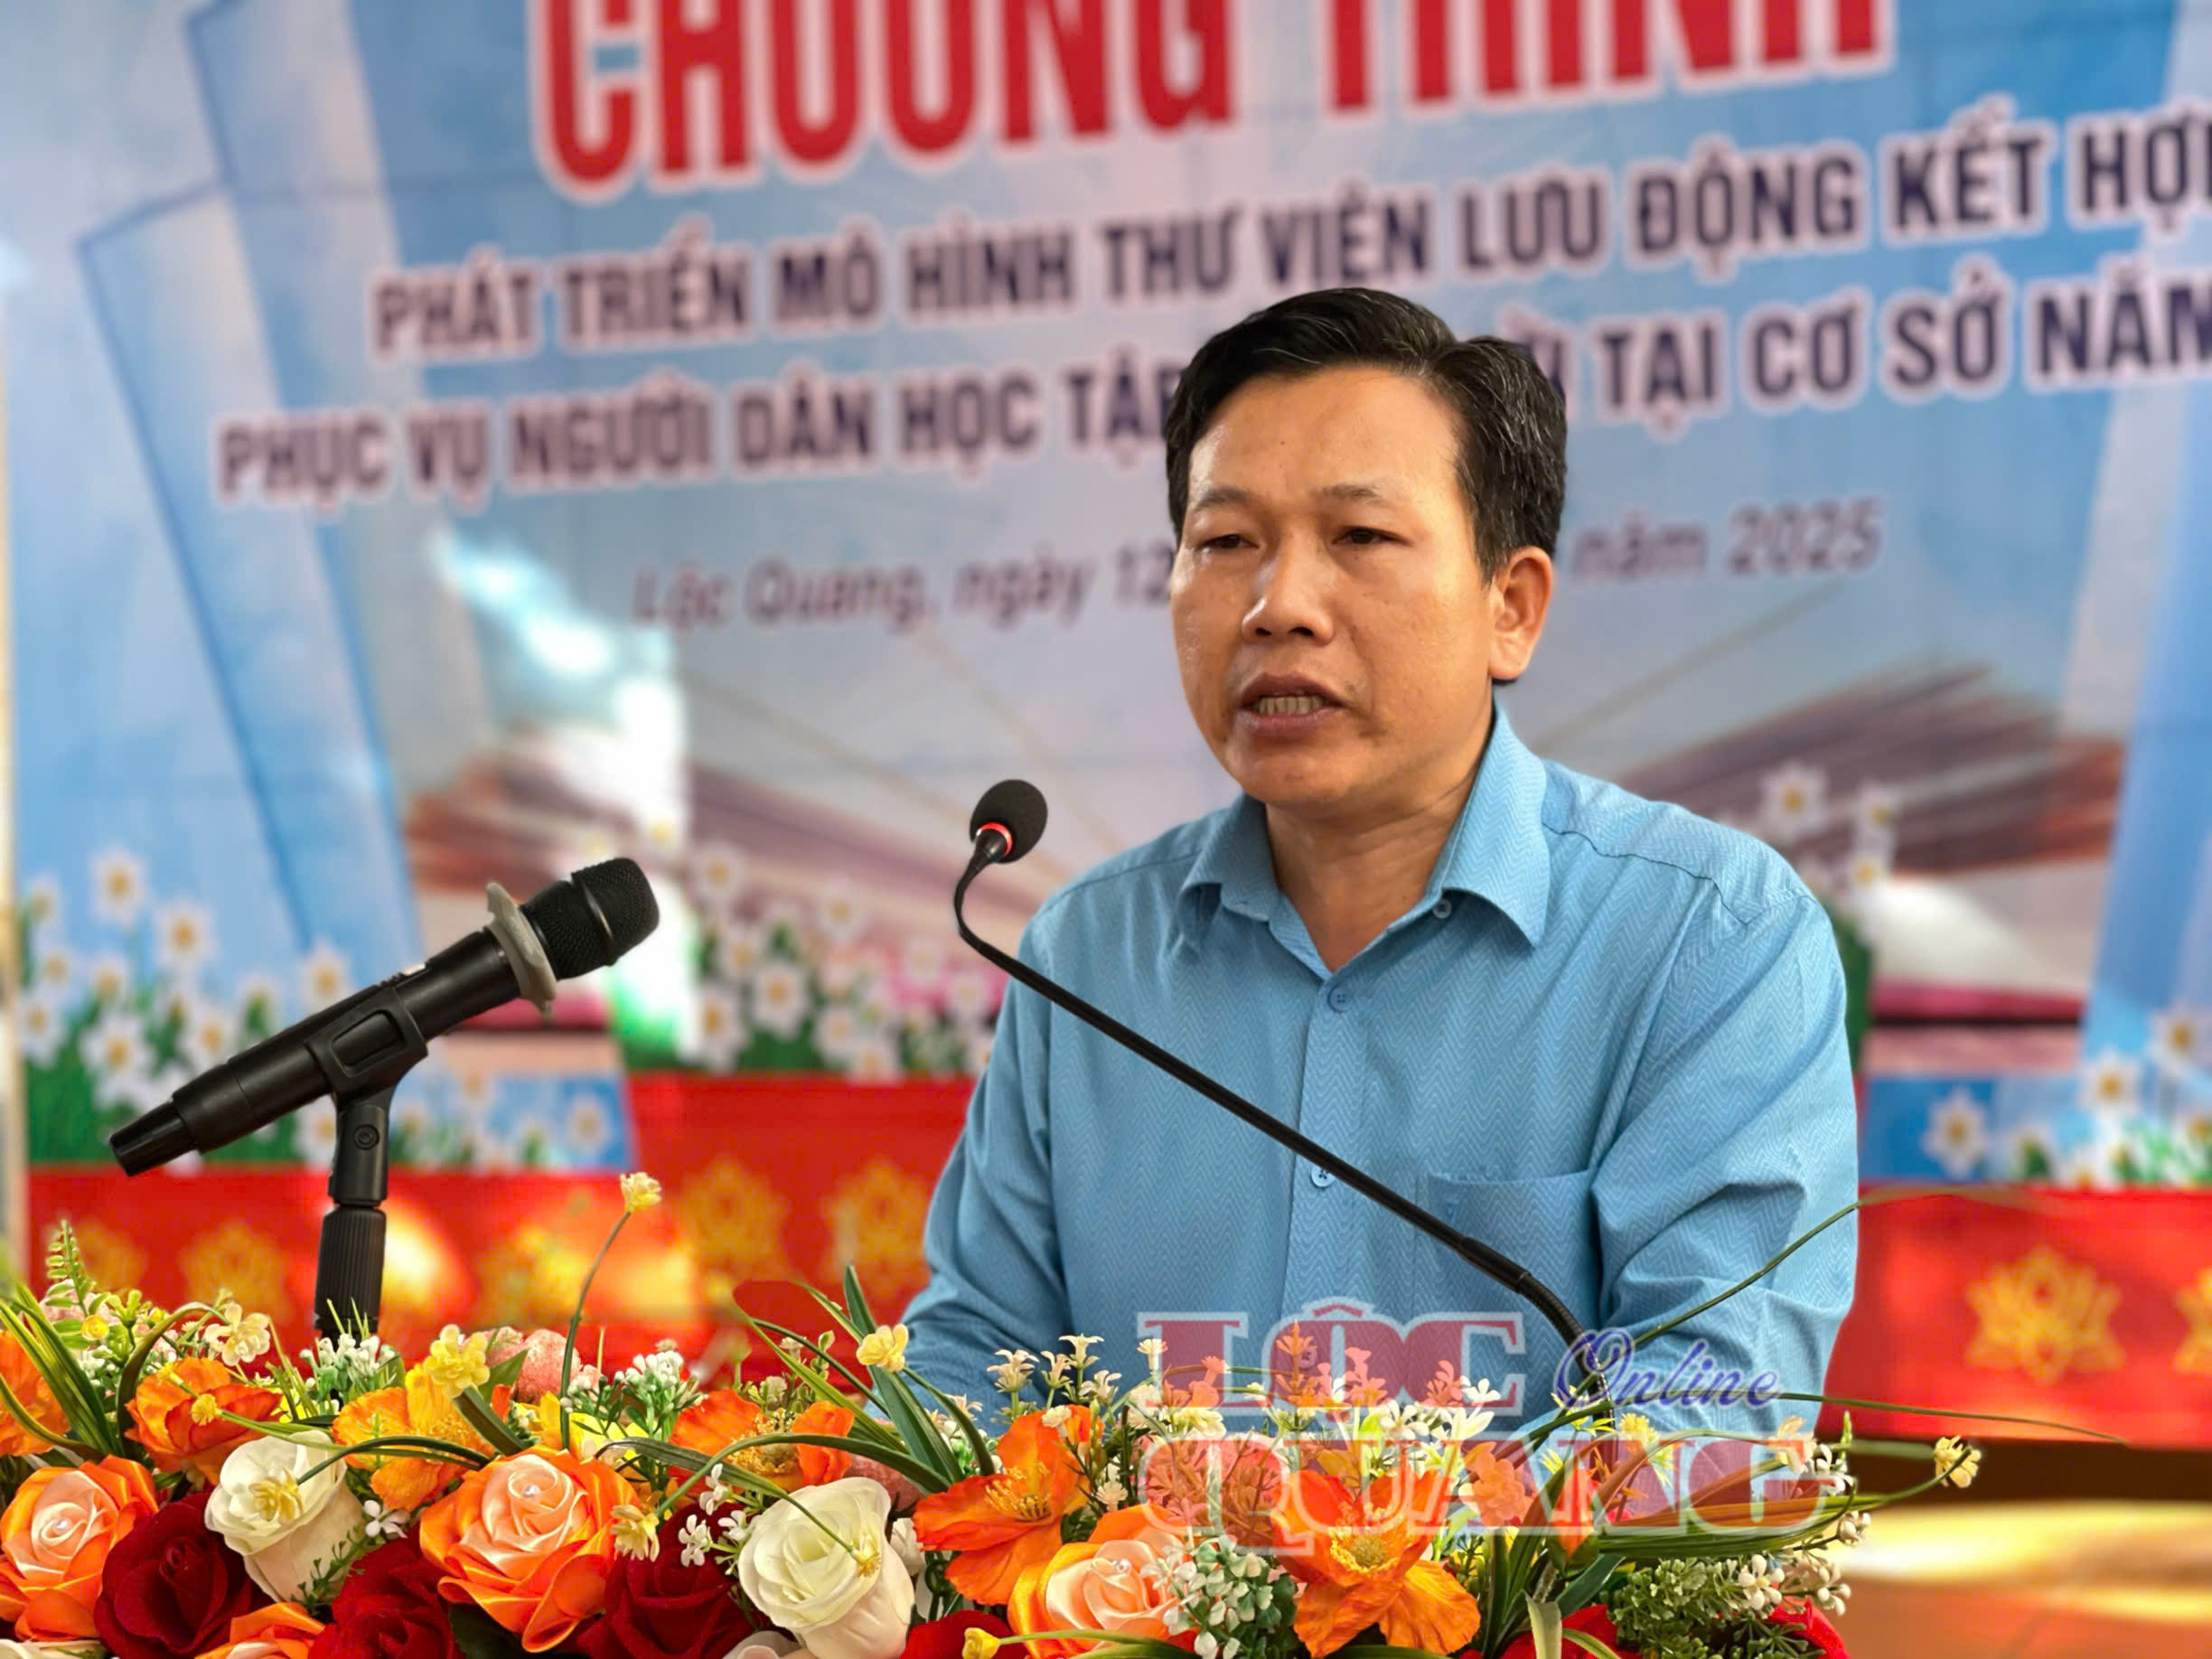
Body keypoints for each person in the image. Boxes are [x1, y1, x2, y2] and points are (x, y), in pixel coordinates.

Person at [901, 287, 1856, 1429]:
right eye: (1225, 543)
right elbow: (976, 1352)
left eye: (1358, 538)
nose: (1277, 606)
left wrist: (1347, 1535)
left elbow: (1712, 1415)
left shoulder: (1709, 940)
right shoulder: (1091, 953)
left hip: (1517, 1568)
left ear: (1511, 607)